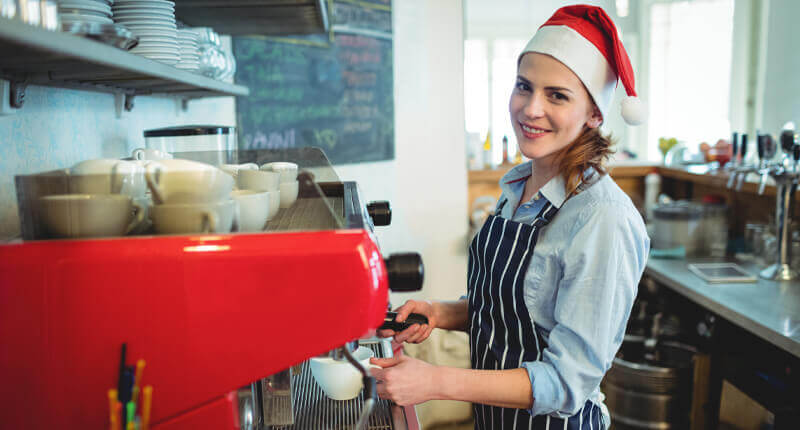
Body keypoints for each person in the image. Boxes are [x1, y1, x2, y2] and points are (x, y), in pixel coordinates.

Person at [369, 4, 650, 430]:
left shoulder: (602, 219)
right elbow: (517, 307)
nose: (530, 109)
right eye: (524, 87)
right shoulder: (518, 188)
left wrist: (436, 381)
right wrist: (440, 313)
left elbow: (565, 383)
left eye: (557, 95)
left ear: (594, 115)